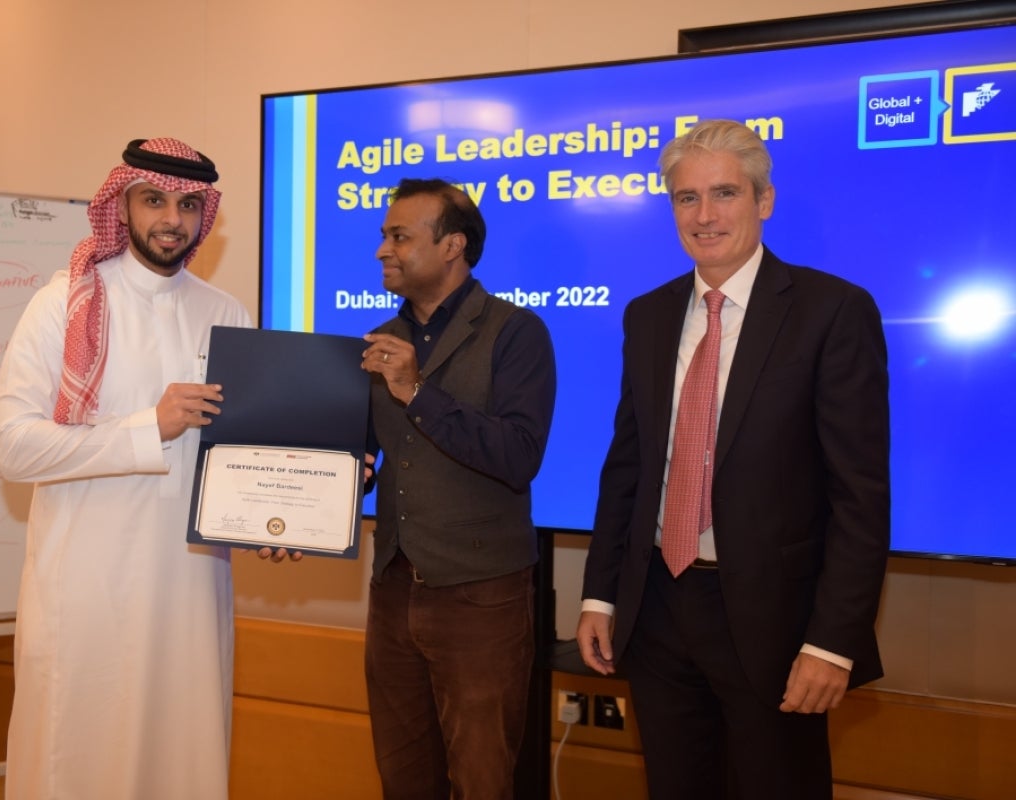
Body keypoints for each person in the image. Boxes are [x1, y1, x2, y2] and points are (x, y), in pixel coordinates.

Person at [575, 119, 890, 800]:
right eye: (687, 198)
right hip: (657, 607)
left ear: (764, 200)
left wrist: (833, 641)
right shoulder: (648, 315)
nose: (705, 215)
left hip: (775, 624)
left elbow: (859, 495)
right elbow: (627, 468)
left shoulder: (831, 311)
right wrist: (601, 593)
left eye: (724, 193)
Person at [0, 137, 283, 799]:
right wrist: (147, 427)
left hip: (190, 590)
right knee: (79, 760)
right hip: (86, 589)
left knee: (181, 758)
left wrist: (277, 518)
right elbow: (14, 448)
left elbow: (241, 458)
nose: (171, 219)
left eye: (187, 203)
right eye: (154, 200)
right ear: (121, 203)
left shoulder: (225, 314)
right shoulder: (62, 304)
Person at [360, 177, 557, 800]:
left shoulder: (516, 332)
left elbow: (518, 457)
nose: (382, 250)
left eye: (399, 236)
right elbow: (366, 460)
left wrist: (418, 393)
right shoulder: (378, 341)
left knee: (481, 781)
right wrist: (291, 517)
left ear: (453, 246)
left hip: (480, 600)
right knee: (402, 778)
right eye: (383, 235)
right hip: (391, 591)